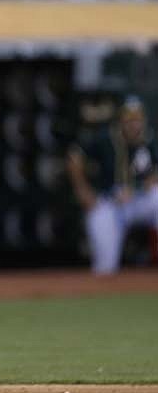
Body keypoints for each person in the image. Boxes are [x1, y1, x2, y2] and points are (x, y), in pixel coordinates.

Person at [67, 95, 158, 274]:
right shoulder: (105, 138)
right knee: (105, 266)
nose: (133, 124)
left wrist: (152, 179)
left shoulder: (151, 139)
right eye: (129, 119)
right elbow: (74, 157)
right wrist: (83, 190)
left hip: (141, 199)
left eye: (137, 119)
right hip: (109, 203)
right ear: (121, 120)